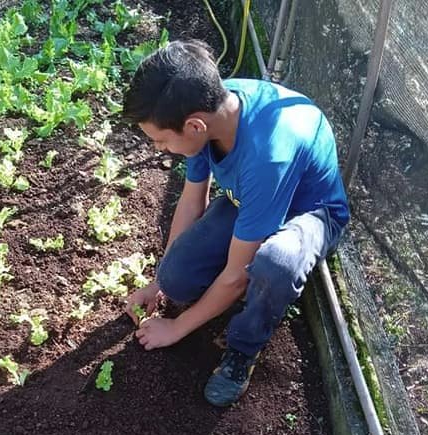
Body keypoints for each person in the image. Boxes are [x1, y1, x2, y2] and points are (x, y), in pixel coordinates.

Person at [122, 40, 350, 407]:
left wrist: (176, 328)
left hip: (310, 213)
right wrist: (159, 282)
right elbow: (192, 200)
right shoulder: (209, 108)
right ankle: (213, 286)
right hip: (249, 200)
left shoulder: (267, 155)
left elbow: (236, 275)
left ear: (194, 126)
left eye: (161, 140)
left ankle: (243, 350)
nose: (159, 148)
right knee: (177, 277)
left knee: (274, 264)